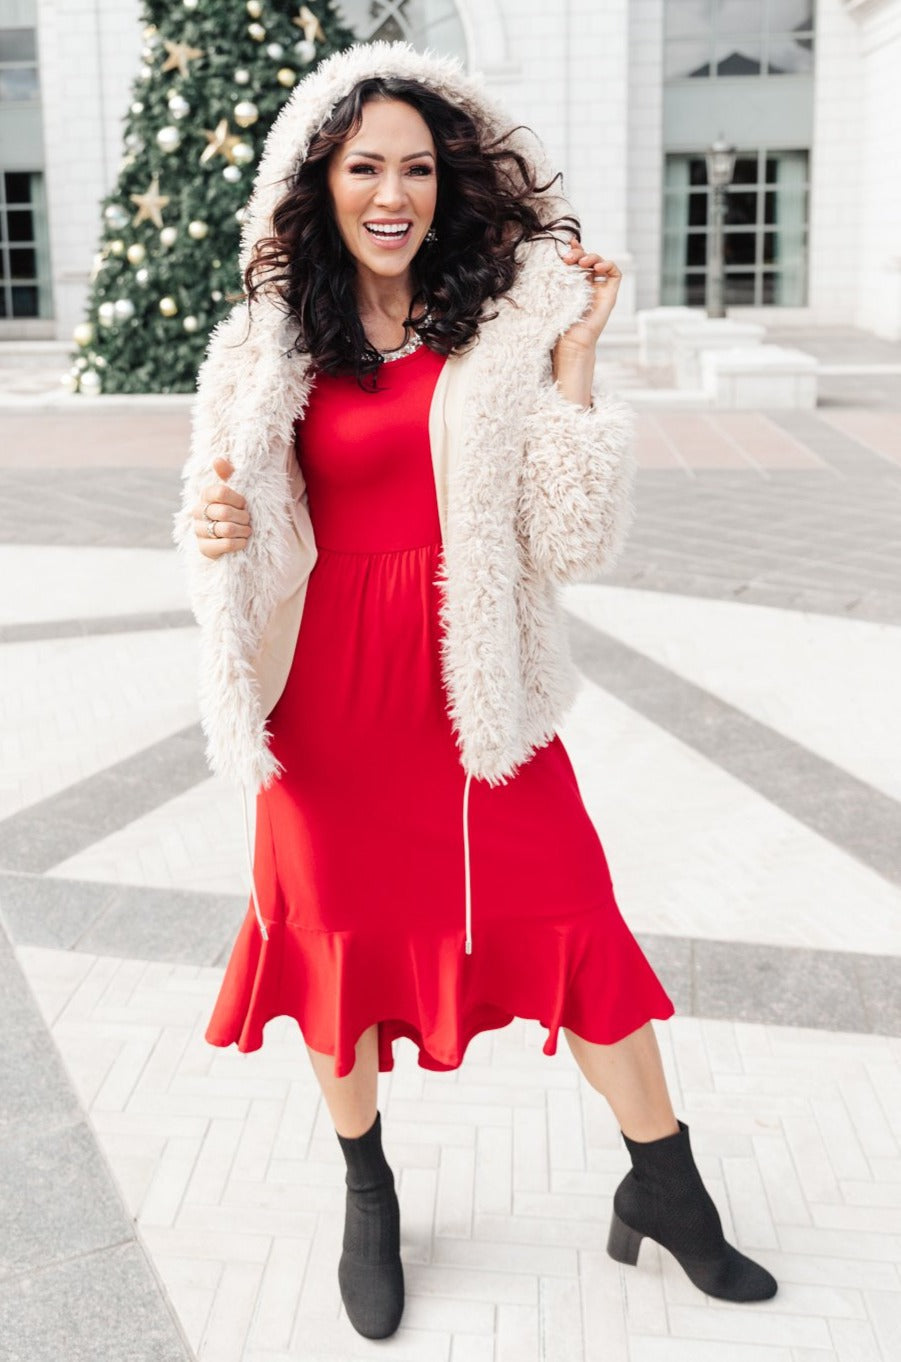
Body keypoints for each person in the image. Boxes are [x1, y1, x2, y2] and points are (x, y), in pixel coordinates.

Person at [173, 41, 777, 1342]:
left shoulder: (496, 329)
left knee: (575, 922)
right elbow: (242, 533)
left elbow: (569, 540)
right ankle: (367, 1189)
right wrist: (220, 530)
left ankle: (665, 1184)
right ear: (319, 182)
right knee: (334, 956)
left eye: (416, 167)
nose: (391, 191)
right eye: (363, 166)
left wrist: (574, 368)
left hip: (472, 694)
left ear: (447, 184)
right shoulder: (263, 347)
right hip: (325, 708)